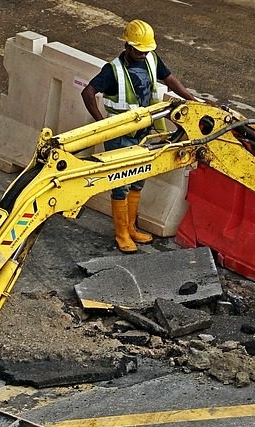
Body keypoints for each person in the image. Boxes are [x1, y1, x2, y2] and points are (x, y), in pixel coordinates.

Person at [81, 19, 200, 253]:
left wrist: (191, 99)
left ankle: (132, 228)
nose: (143, 55)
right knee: (121, 184)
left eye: (146, 51)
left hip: (144, 134)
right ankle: (122, 233)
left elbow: (169, 79)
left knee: (137, 181)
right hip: (120, 137)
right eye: (139, 51)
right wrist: (101, 123)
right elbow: (88, 92)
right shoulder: (113, 70)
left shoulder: (151, 59)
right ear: (127, 47)